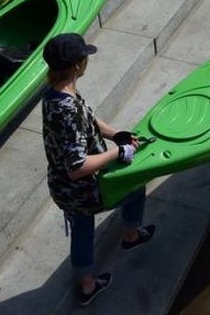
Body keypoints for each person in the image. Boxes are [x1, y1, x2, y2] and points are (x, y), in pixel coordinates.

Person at [41, 33, 156, 307]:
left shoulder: (55, 92)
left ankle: (87, 284)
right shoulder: (66, 110)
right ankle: (130, 236)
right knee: (135, 186)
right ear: (79, 65)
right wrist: (118, 152)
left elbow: (89, 119)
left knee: (82, 228)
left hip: (62, 188)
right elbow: (78, 167)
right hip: (81, 188)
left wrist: (117, 135)